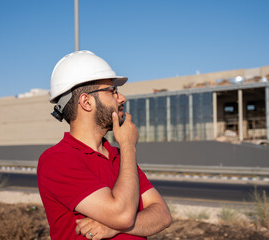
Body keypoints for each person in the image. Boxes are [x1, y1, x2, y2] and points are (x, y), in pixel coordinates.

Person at [37, 50, 172, 240]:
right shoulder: (57, 160)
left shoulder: (118, 155)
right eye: (112, 92)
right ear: (86, 101)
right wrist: (128, 146)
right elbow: (122, 215)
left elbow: (162, 215)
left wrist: (115, 228)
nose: (122, 98)